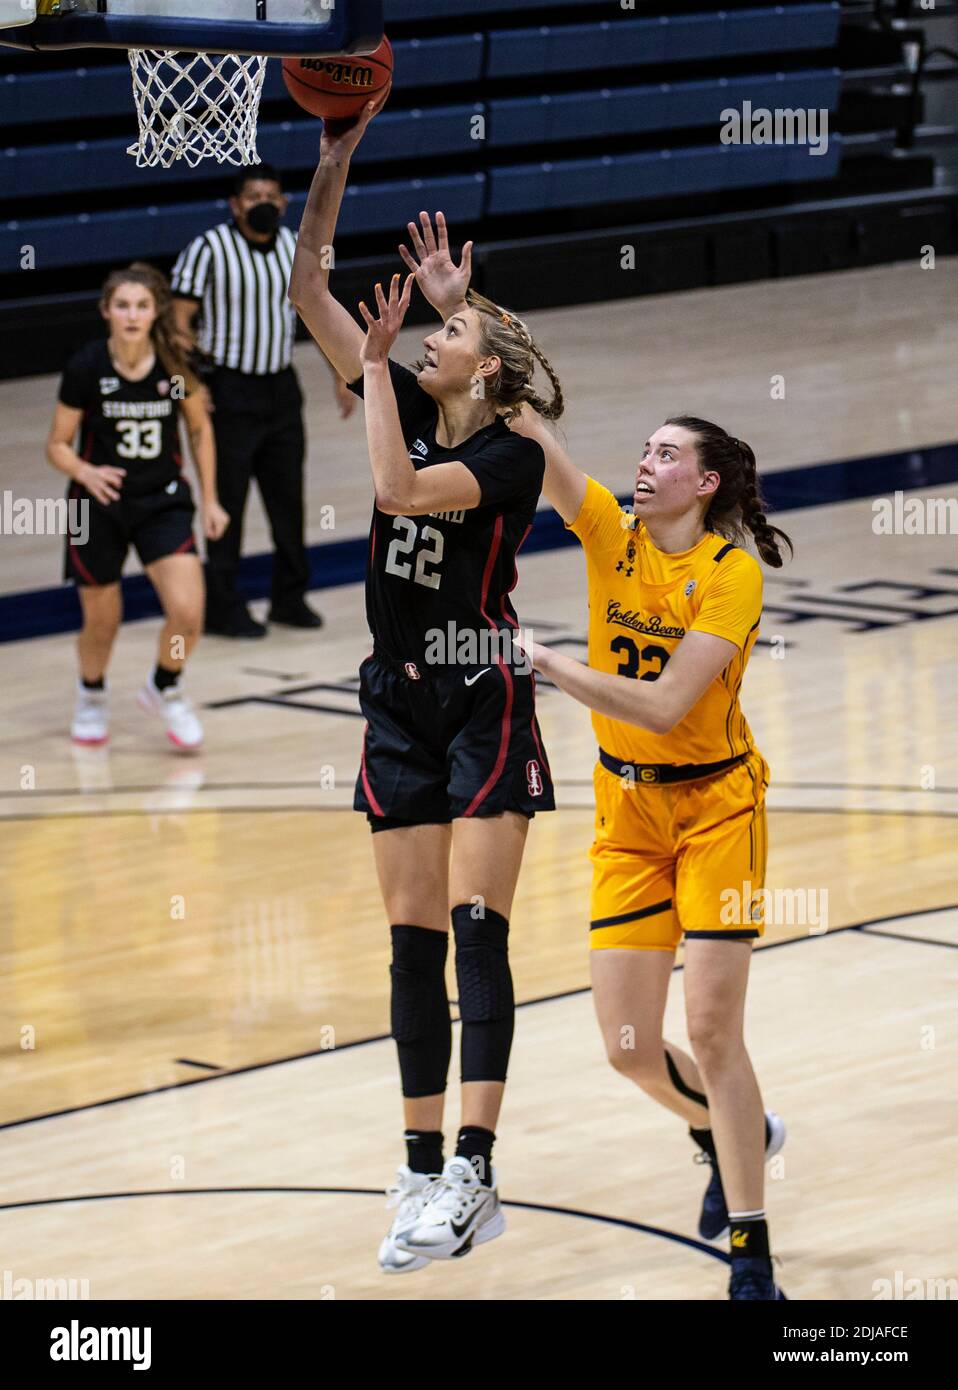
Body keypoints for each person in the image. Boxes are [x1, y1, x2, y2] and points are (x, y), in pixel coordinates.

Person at [289, 99, 562, 1272]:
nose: (419, 345)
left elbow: (400, 493)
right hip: (397, 697)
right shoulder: (405, 386)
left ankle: (475, 1173)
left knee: (475, 928)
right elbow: (308, 283)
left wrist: (414, 349)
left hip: (482, 691)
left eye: (445, 340)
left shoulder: (503, 457)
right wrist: (333, 164)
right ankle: (412, 1172)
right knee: (409, 947)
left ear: (481, 366)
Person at [511, 401, 794, 1300]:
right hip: (626, 813)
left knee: (712, 1030)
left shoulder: (730, 574)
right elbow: (536, 438)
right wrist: (467, 323)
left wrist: (550, 663)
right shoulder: (608, 531)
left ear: (705, 484)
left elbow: (667, 706)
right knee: (630, 1048)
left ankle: (752, 1253)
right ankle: (724, 1131)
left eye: (667, 454)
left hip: (717, 809)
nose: (645, 462)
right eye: (643, 449)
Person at [46, 262, 228, 751]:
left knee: (188, 613)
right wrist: (84, 472)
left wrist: (210, 499)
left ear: (155, 313)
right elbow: (58, 445)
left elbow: (199, 428)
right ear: (107, 311)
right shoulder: (87, 367)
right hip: (96, 505)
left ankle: (165, 684)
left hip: (161, 502)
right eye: (122, 305)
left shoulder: (172, 368)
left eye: (142, 306)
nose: (131, 315)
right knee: (102, 620)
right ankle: (91, 694)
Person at [171, 163, 352, 638]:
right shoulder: (207, 249)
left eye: (271, 195)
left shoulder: (298, 248)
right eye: (253, 196)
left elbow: (319, 314)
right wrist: (192, 384)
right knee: (226, 503)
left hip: (279, 389)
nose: (263, 203)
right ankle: (223, 605)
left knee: (287, 500)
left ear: (284, 203)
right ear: (236, 205)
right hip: (228, 391)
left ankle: (288, 599)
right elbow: (177, 324)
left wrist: (340, 375)